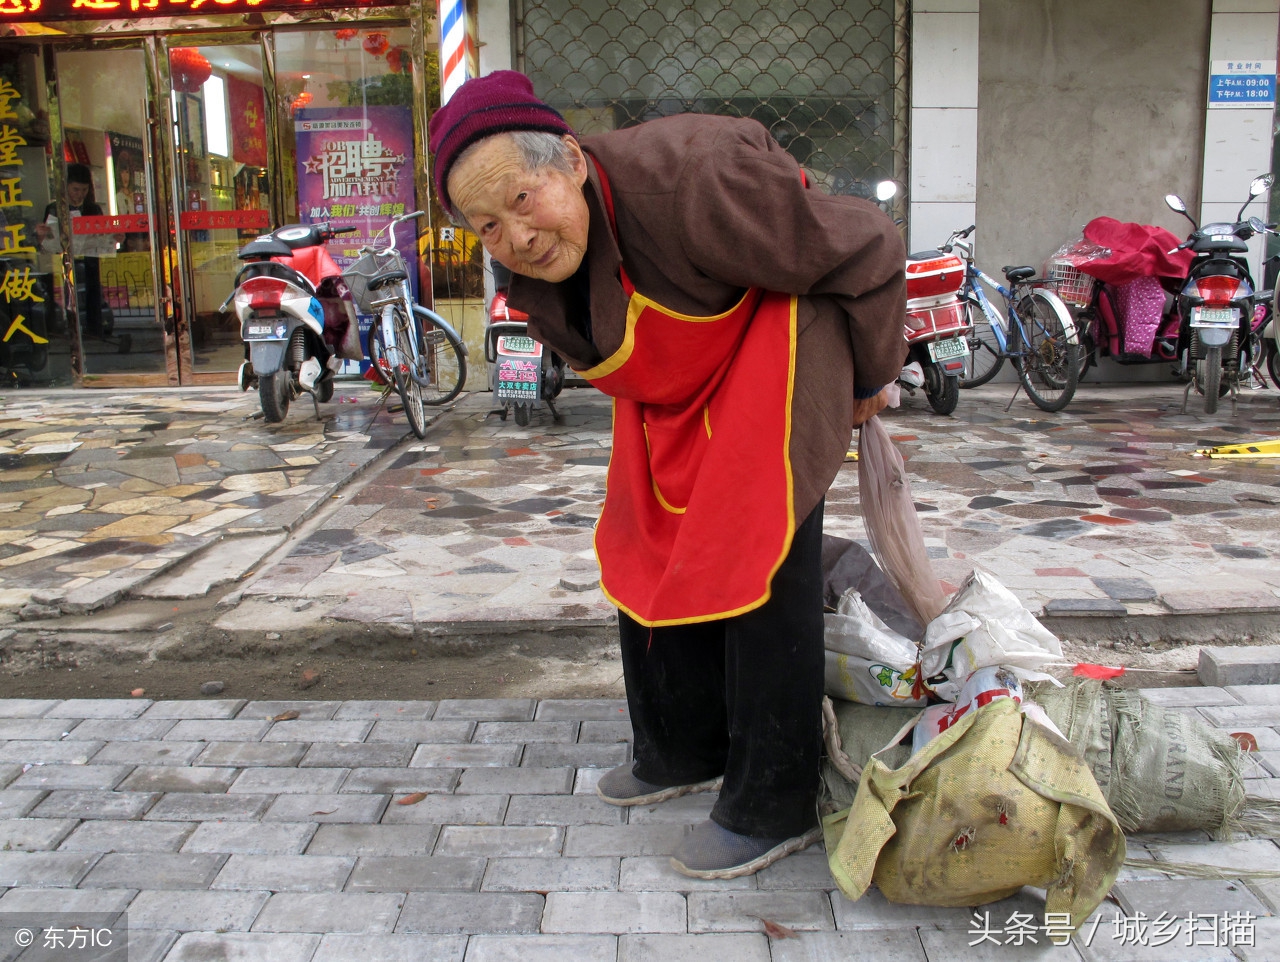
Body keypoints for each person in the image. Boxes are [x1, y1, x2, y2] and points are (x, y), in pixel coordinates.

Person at [428, 71, 906, 879]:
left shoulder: (699, 181)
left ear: (573, 162)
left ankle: (773, 799)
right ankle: (683, 746)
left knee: (755, 544)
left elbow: (871, 243)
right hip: (675, 378)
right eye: (487, 227)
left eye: (522, 200)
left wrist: (865, 381)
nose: (515, 237)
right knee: (643, 536)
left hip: (780, 332)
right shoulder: (538, 261)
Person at [35, 163, 107, 337]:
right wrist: (42, 235)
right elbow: (45, 242)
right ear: (66, 187)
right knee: (62, 293)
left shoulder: (93, 209)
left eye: (84, 190)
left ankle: (93, 328)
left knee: (91, 290)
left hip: (88, 259)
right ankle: (62, 327)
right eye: (75, 189)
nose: (79, 194)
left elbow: (103, 235)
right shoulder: (54, 208)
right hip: (61, 261)